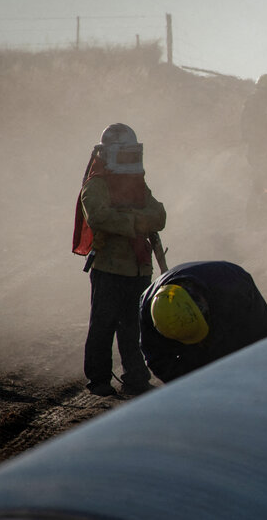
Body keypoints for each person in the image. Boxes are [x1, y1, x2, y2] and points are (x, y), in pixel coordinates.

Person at [72, 123, 165, 397]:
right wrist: (136, 222)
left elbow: (159, 216)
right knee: (103, 327)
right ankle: (99, 380)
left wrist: (128, 219)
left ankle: (136, 378)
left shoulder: (138, 184)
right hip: (109, 268)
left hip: (138, 269)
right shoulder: (96, 184)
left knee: (134, 328)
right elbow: (99, 217)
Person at [139, 261, 267, 383]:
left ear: (206, 310)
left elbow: (263, 334)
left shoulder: (235, 291)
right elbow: (158, 360)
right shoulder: (148, 308)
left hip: (228, 283)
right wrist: (188, 385)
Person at [241, 73, 267, 225]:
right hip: (257, 150)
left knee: (264, 182)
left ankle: (259, 218)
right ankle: (255, 219)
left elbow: (255, 126)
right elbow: (250, 128)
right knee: (261, 182)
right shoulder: (254, 104)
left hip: (259, 149)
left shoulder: (257, 104)